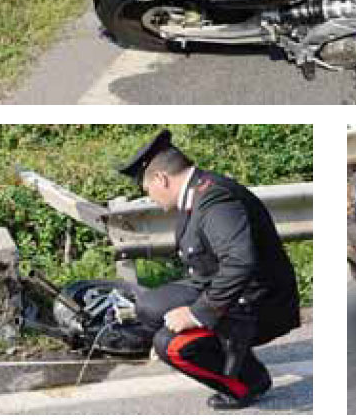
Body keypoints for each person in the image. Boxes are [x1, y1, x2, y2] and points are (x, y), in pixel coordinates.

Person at [120, 130, 301, 410]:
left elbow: (240, 262)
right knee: (149, 306)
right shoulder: (198, 190)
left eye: (147, 191)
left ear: (161, 179)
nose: (150, 198)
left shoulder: (216, 201)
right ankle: (228, 351)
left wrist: (196, 314)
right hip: (224, 287)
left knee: (170, 345)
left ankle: (247, 383)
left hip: (257, 302)